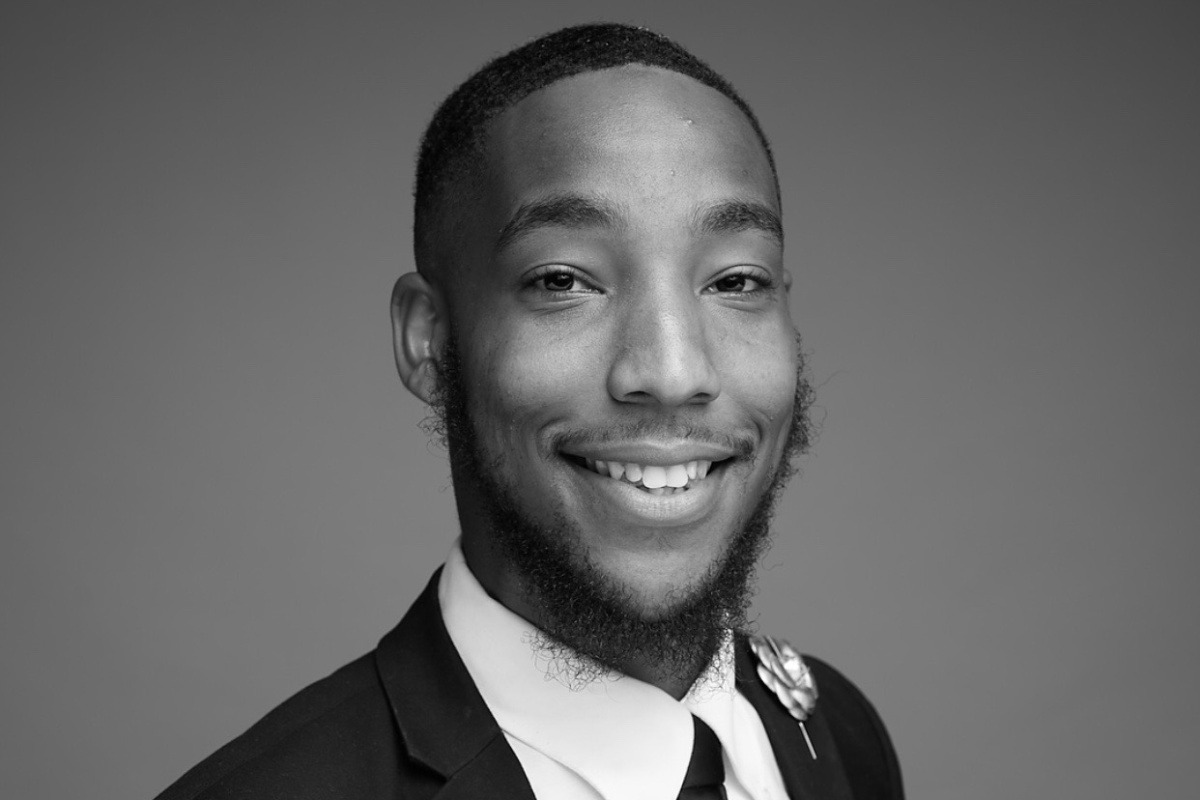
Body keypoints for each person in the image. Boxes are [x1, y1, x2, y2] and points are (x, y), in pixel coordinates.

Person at [155, 22, 903, 800]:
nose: (673, 372)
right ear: (428, 338)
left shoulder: (836, 736)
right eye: (562, 281)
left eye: (736, 281)